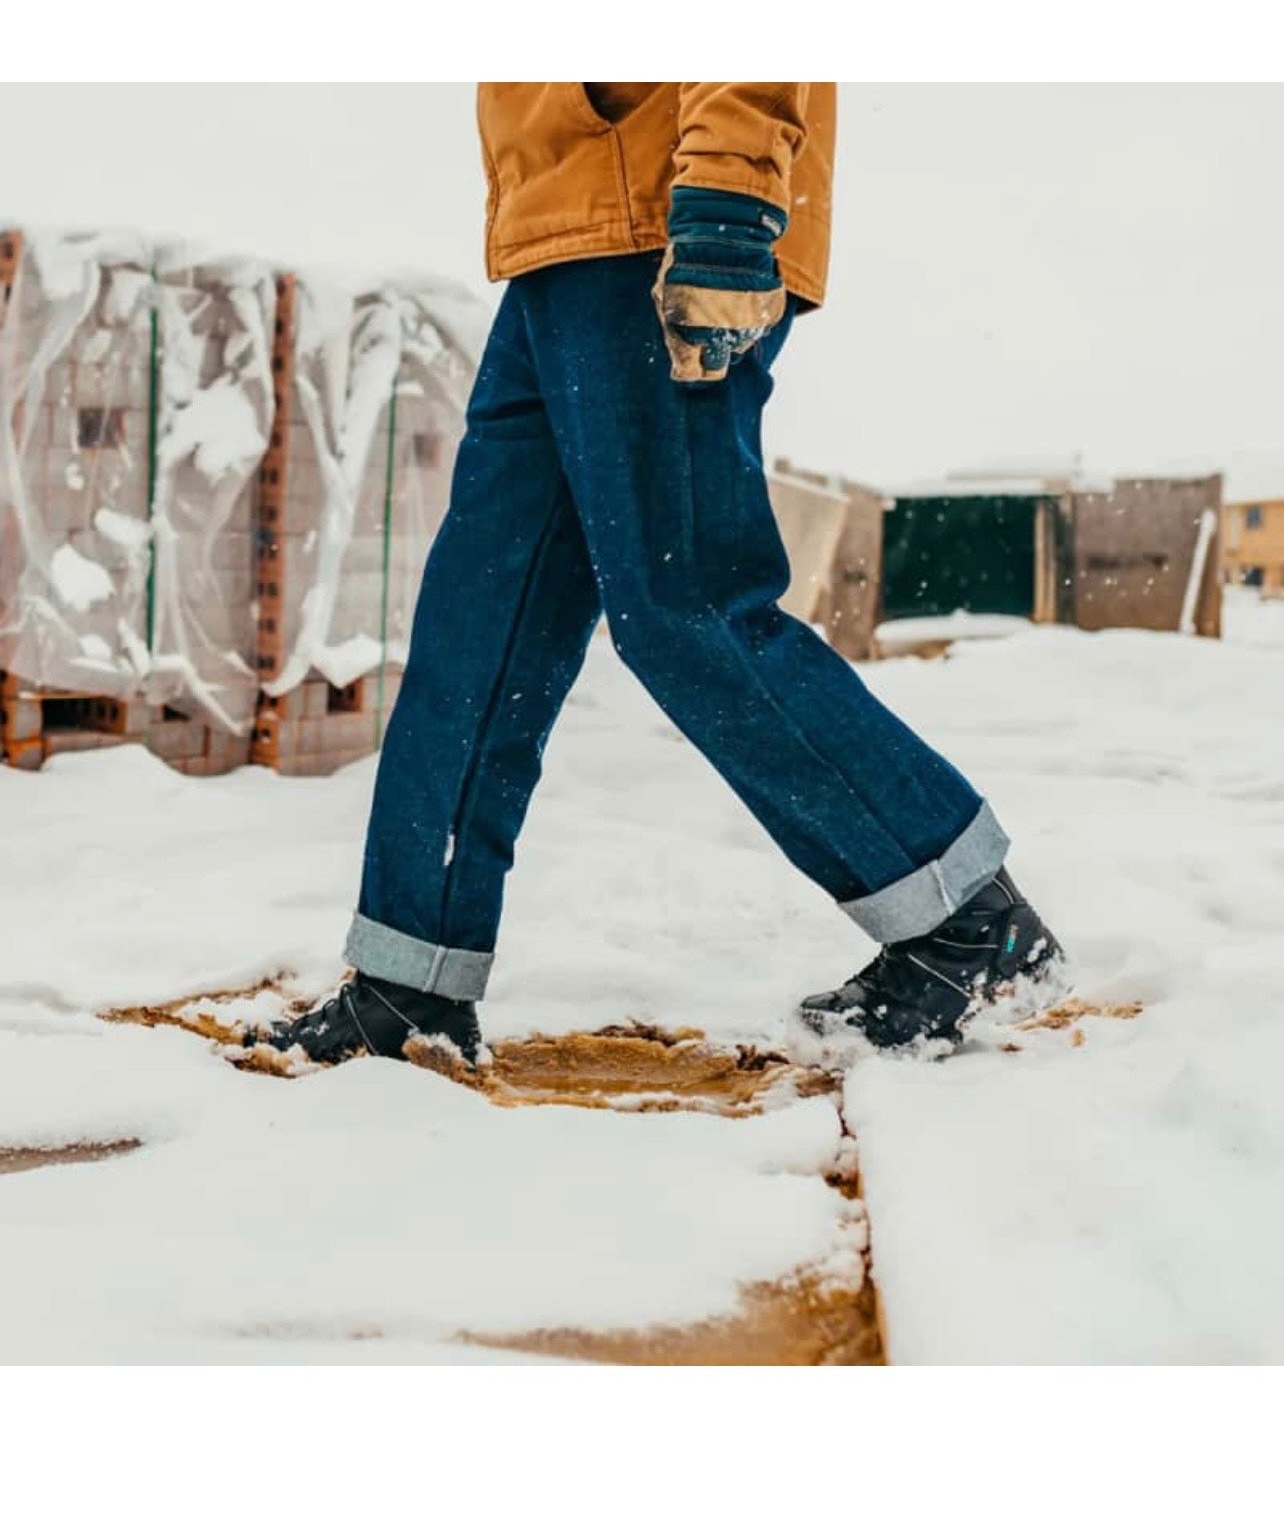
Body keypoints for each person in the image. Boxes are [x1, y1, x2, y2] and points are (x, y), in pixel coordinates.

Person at [253, 82, 1066, 1068]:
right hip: (559, 235)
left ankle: (972, 926)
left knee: (690, 609)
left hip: (659, 219)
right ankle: (409, 976)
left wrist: (727, 196)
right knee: (482, 629)